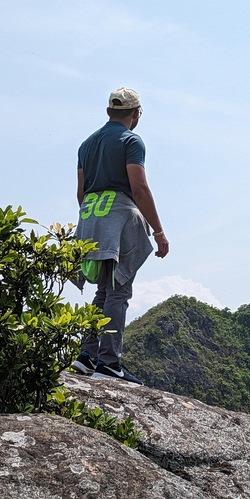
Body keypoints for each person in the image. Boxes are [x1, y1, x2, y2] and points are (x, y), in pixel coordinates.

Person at [71, 87, 169, 385]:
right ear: (136, 113)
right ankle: (109, 362)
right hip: (118, 214)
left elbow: (80, 190)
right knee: (119, 289)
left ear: (108, 111)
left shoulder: (87, 144)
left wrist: (93, 222)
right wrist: (158, 230)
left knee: (102, 289)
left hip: (89, 216)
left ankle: (87, 355)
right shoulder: (131, 140)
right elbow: (138, 187)